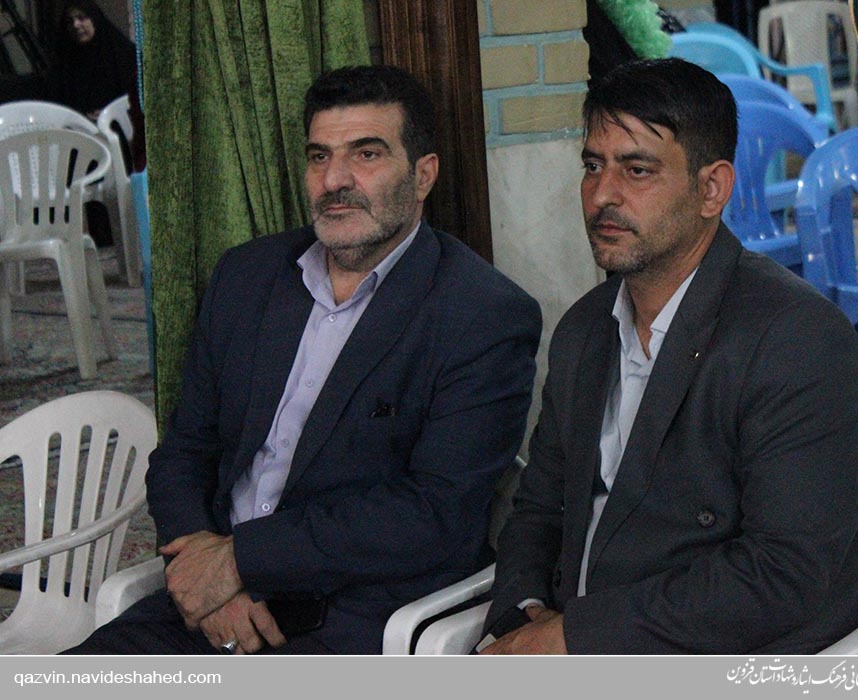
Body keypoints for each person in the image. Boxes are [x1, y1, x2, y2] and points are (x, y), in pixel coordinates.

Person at [65, 64, 542, 655]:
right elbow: (186, 449)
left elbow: (433, 513)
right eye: (320, 157)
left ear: (423, 175)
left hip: (345, 620)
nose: (335, 180)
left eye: (366, 154)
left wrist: (241, 561)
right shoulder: (246, 276)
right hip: (203, 607)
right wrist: (200, 568)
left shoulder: (483, 315)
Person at [479, 58, 858, 655]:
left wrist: (574, 637)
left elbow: (783, 575)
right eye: (593, 166)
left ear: (711, 189)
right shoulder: (586, 330)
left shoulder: (797, 339)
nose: (602, 195)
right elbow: (539, 508)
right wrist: (523, 612)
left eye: (637, 170)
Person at [46, 1, 137, 120]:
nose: (76, 25)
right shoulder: (65, 62)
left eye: (81, 18)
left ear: (94, 19)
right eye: (70, 21)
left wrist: (110, 113)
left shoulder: (123, 54)